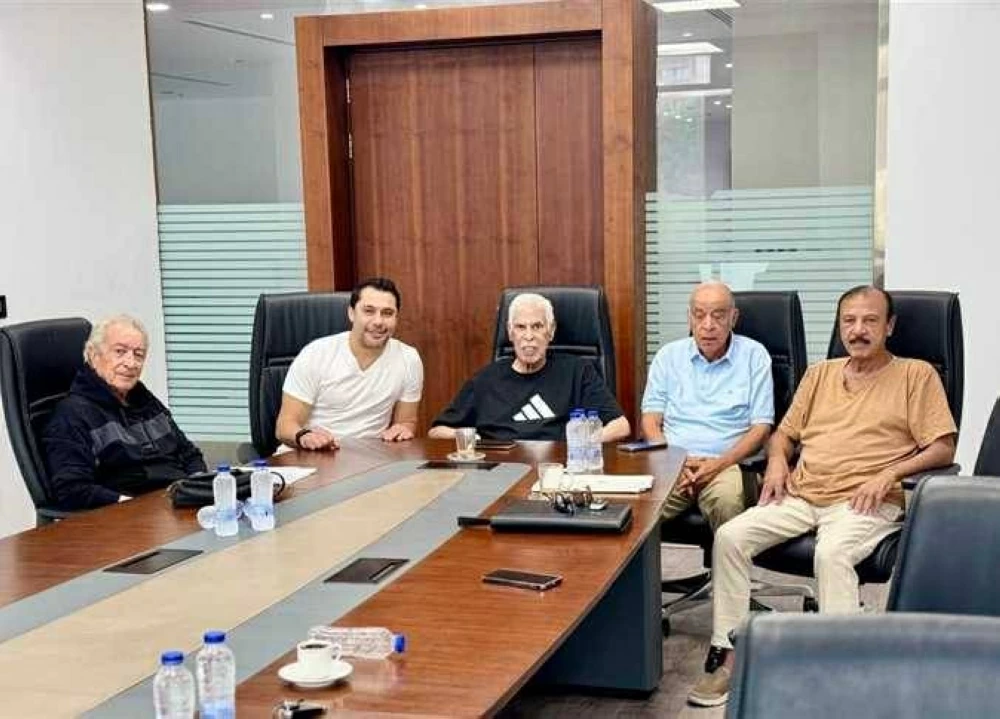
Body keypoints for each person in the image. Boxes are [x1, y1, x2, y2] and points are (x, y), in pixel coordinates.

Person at [688, 286, 957, 708]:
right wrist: (777, 462)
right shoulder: (819, 374)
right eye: (849, 321)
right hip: (802, 494)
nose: (858, 330)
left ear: (889, 326)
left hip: (865, 501)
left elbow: (943, 447)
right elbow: (783, 435)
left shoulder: (916, 375)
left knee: (831, 555)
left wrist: (889, 474)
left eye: (870, 321)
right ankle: (731, 656)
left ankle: (842, 677)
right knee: (730, 537)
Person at [642, 281, 773, 533]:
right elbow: (650, 420)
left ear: (733, 318)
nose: (708, 325)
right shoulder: (668, 356)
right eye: (699, 315)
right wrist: (673, 461)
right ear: (689, 318)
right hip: (674, 465)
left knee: (727, 501)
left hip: (728, 466)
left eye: (718, 316)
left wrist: (718, 464)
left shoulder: (754, 356)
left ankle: (726, 562)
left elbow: (761, 427)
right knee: (634, 511)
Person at [43, 315, 206, 510]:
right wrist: (132, 506)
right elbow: (72, 490)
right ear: (94, 355)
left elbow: (189, 454)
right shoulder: (72, 415)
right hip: (130, 513)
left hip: (178, 503)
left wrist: (200, 488)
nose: (131, 363)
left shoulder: (145, 400)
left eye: (138, 354)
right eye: (120, 352)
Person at [429, 292, 630, 441]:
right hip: (501, 471)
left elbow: (620, 426)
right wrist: (470, 437)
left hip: (559, 469)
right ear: (510, 333)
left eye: (537, 326)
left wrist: (583, 443)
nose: (528, 336)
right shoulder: (485, 380)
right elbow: (437, 431)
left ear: (551, 331)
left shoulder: (578, 371)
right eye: (520, 327)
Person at [275, 277, 423, 451]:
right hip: (308, 456)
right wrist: (305, 437)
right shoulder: (316, 353)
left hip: (369, 459)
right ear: (351, 313)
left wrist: (402, 429)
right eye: (369, 311)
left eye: (387, 313)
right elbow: (284, 426)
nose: (378, 321)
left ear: (396, 318)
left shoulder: (408, 359)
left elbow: (406, 422)